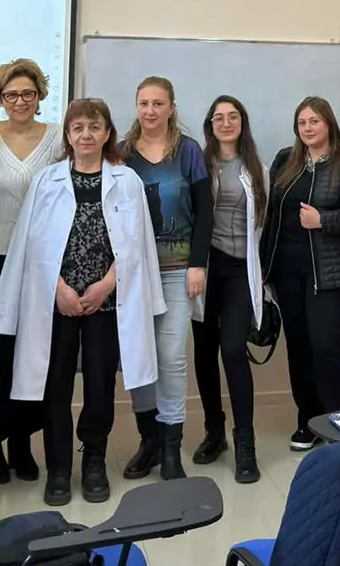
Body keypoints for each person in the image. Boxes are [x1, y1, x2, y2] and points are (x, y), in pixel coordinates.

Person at [0, 99, 164, 506]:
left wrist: (107, 285)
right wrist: (58, 288)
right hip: (58, 303)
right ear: (67, 135)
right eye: (78, 128)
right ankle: (59, 469)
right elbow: (31, 245)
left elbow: (137, 244)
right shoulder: (46, 181)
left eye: (94, 127)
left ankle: (94, 461)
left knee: (100, 385)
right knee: (56, 387)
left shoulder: (127, 180)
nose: (86, 135)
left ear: (107, 133)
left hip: (106, 301)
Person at [260, 96, 340, 451]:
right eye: (302, 123)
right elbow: (272, 216)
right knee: (298, 347)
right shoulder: (286, 160)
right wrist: (264, 268)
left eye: (314, 121)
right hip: (287, 271)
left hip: (329, 272)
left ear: (329, 123)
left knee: (325, 346)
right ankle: (308, 421)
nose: (308, 128)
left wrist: (323, 220)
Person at [121, 77, 214, 481]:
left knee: (172, 357)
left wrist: (198, 264)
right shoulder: (121, 153)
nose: (150, 110)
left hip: (179, 271)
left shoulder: (188, 151)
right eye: (144, 103)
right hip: (133, 274)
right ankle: (150, 442)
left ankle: (172, 447)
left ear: (172, 107)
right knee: (139, 355)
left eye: (158, 103)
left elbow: (205, 210)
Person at [0, 59, 59, 485]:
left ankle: (22, 443)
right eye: (11, 94)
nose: (20, 101)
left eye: (28, 93)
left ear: (39, 96)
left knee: (31, 353)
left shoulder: (59, 137)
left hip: (40, 263)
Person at [189, 96, 268, 483]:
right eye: (218, 117)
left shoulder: (256, 169)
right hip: (205, 268)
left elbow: (263, 225)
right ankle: (215, 431)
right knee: (204, 353)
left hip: (239, 270)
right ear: (210, 125)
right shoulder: (198, 165)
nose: (225, 122)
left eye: (232, 116)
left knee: (233, 349)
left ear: (242, 122)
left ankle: (245, 443)